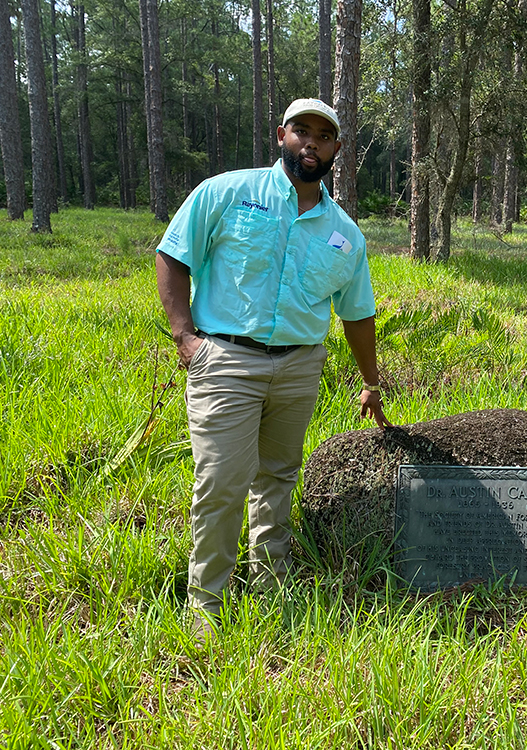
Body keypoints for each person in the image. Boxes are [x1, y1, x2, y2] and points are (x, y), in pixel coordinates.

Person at [155, 98, 391, 626]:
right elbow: (173, 253)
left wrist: (371, 381)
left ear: (336, 149)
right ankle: (207, 606)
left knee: (278, 476)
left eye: (323, 136)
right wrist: (185, 337)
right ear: (281, 134)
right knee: (222, 482)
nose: (311, 143)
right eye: (301, 131)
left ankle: (270, 584)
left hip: (300, 368)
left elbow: (357, 314)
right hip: (226, 361)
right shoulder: (228, 192)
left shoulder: (345, 234)